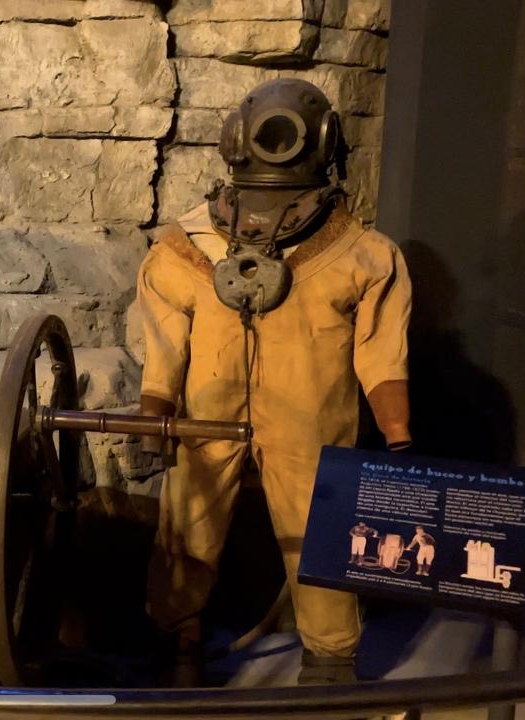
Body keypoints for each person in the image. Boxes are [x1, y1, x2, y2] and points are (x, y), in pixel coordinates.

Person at [137, 78, 413, 686]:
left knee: (321, 525)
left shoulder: (360, 254)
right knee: (190, 519)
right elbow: (165, 338)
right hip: (207, 417)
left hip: (309, 423)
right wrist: (156, 404)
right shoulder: (186, 248)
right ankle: (179, 641)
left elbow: (380, 348)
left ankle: (329, 660)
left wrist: (396, 424)